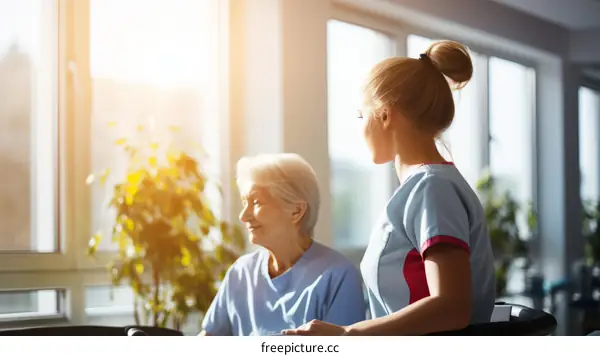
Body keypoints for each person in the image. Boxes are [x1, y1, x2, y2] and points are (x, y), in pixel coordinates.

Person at [282, 40, 496, 336]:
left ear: (384, 114)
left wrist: (348, 336)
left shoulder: (432, 188)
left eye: (361, 115)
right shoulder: (423, 187)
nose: (360, 128)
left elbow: (452, 307)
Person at [199, 153, 367, 336]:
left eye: (256, 202)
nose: (243, 216)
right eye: (244, 203)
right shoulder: (241, 272)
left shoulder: (338, 275)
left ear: (296, 211)